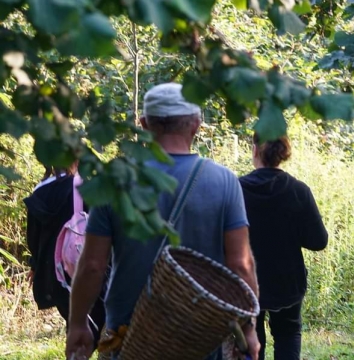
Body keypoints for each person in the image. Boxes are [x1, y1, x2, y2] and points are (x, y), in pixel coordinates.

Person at [64, 83, 261, 360]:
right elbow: (241, 264)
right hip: (201, 339)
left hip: (130, 339)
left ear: (144, 124)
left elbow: (93, 266)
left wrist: (77, 324)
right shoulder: (224, 181)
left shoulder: (117, 180)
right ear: (196, 125)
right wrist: (248, 328)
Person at [239, 134, 328, 360]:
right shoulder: (298, 190)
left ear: (255, 150)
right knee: (288, 333)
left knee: (251, 341)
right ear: (284, 151)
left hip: (246, 283)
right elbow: (319, 241)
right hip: (287, 282)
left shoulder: (236, 189)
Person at [23, 164, 106, 349]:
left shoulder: (40, 192)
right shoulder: (91, 188)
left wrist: (35, 267)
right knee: (100, 327)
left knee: (74, 325)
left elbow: (33, 239)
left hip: (57, 275)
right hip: (89, 270)